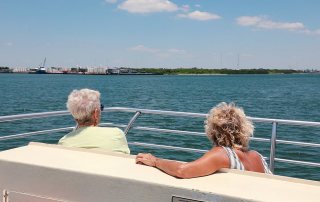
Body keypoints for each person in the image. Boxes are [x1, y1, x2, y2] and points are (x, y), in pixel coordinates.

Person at [136, 102, 271, 178]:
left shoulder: (223, 153)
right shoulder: (258, 157)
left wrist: (155, 161)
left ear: (212, 130)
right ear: (245, 129)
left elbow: (183, 171)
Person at [58, 88, 130, 154]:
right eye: (101, 107)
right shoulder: (116, 134)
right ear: (95, 114)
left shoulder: (64, 142)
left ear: (74, 116)